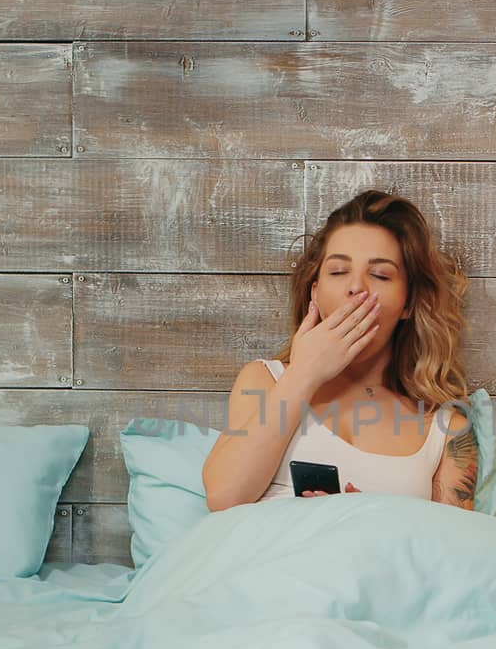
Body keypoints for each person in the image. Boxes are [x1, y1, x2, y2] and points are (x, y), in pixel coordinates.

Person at [202, 190, 479, 511]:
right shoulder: (264, 381)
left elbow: (455, 552)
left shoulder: (447, 429)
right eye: (337, 271)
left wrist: (368, 522)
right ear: (315, 292)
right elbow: (223, 497)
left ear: (408, 303)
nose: (356, 287)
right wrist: (305, 372)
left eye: (380, 275)